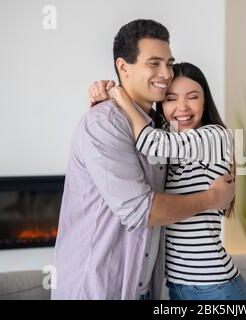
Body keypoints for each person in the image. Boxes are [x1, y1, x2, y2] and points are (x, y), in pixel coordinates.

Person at [52, 19, 234, 300]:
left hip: (147, 288)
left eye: (168, 62)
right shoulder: (104, 123)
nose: (166, 73)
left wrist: (114, 90)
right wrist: (212, 198)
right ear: (123, 67)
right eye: (154, 63)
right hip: (97, 289)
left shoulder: (163, 128)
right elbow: (141, 211)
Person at [89, 62, 246, 300]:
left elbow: (150, 142)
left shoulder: (215, 136)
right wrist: (101, 93)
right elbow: (134, 134)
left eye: (192, 97)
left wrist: (120, 95)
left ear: (205, 101)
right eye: (171, 99)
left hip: (215, 287)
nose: (182, 107)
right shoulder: (172, 138)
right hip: (179, 287)